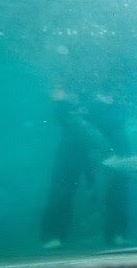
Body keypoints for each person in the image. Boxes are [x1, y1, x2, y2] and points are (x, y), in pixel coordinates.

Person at [40, 88, 131, 248]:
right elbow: (61, 111)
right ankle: (53, 235)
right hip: (76, 131)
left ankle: (117, 233)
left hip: (107, 130)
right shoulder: (73, 77)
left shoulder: (114, 81)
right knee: (63, 182)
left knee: (118, 182)